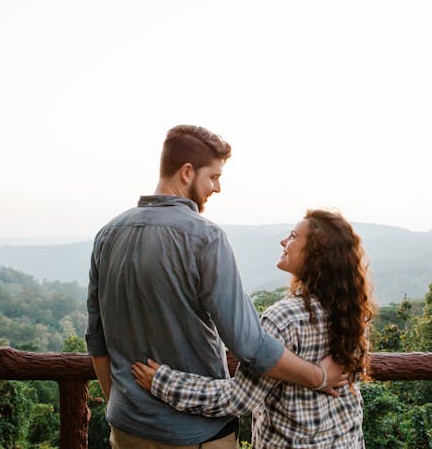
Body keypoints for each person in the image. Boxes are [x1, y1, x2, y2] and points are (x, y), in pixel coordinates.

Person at [86, 125, 347, 449]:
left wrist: (121, 403)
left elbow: (96, 339)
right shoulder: (205, 238)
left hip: (126, 428)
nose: (218, 188)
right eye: (213, 177)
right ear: (186, 172)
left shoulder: (108, 234)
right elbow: (250, 344)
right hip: (196, 433)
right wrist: (318, 377)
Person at [132, 209, 374, 448]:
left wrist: (163, 382)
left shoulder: (283, 319)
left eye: (292, 236)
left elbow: (238, 399)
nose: (283, 241)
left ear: (316, 254)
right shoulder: (352, 312)